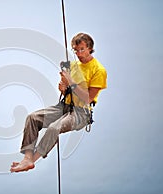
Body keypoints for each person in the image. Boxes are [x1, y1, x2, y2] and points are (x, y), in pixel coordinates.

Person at [10, 32, 107, 173]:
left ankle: (32, 161)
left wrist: (71, 83)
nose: (79, 53)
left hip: (81, 113)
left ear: (90, 48)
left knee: (54, 128)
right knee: (32, 118)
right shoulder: (73, 66)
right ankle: (27, 158)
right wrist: (63, 88)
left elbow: (87, 98)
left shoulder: (98, 70)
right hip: (64, 106)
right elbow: (67, 90)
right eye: (76, 50)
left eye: (82, 49)